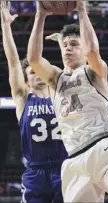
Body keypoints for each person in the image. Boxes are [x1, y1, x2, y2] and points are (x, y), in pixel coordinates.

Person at [27, 0, 108, 202]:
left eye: (74, 44)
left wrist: (82, 9)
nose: (67, 48)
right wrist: (40, 16)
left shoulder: (93, 71)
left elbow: (92, 51)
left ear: (83, 47)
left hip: (103, 149)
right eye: (65, 45)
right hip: (74, 160)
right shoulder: (55, 79)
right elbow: (33, 59)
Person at [1, 2, 67, 203]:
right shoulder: (23, 97)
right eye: (31, 72)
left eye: (39, 69)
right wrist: (5, 26)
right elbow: (13, 62)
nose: (37, 73)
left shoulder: (62, 92)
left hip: (66, 167)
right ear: (26, 81)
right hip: (36, 171)